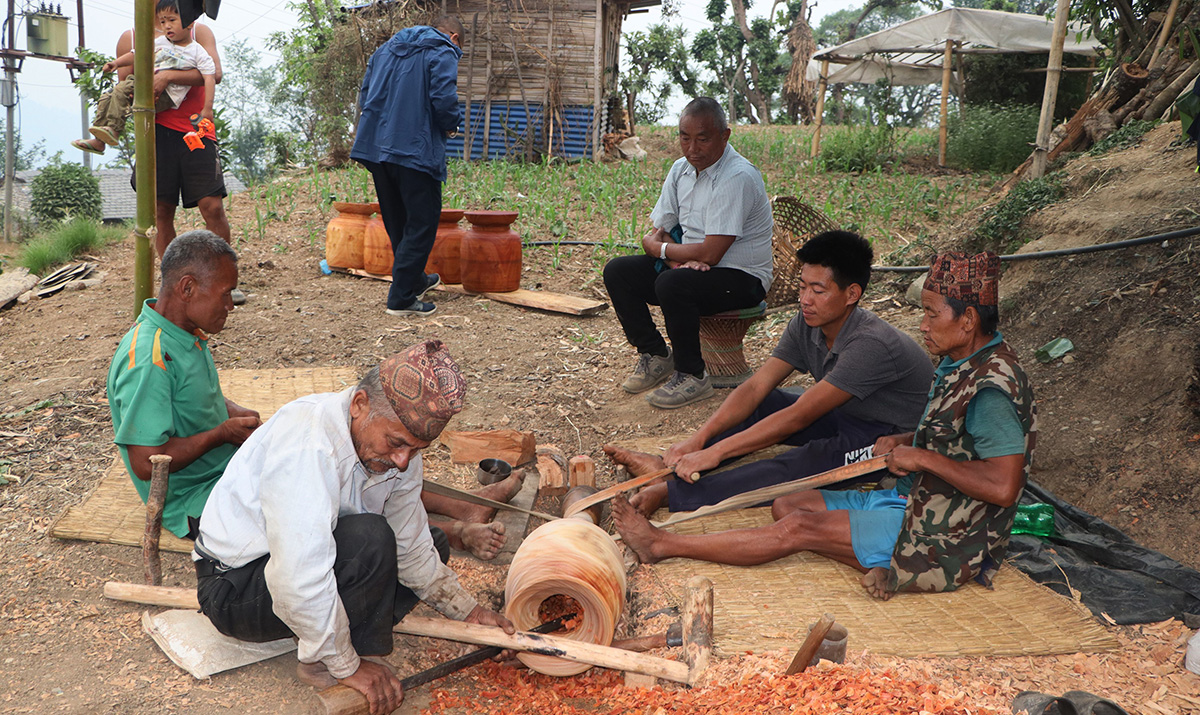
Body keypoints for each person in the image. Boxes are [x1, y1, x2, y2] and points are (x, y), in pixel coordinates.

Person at [612, 251, 1037, 602]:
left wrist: (919, 454)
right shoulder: (960, 361)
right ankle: (880, 558)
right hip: (914, 495)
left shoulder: (990, 389)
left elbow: (1003, 487)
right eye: (803, 287)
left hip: (946, 532)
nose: (922, 325)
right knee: (788, 505)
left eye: (931, 314)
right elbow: (761, 386)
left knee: (797, 517)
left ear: (967, 321)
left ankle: (662, 544)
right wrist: (909, 440)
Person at [193, 341, 515, 713]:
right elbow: (296, 577)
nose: (402, 460)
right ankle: (324, 659)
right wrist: (347, 665)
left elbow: (411, 540)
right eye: (396, 443)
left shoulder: (399, 452)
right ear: (359, 404)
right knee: (371, 539)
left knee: (433, 542)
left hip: (302, 570)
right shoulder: (309, 446)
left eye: (416, 449)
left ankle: (333, 636)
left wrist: (469, 612)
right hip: (235, 588)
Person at [606, 230, 933, 517]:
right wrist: (698, 442)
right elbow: (756, 387)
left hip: (886, 437)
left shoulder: (870, 344)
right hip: (844, 413)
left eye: (818, 291)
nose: (805, 300)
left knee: (806, 463)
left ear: (852, 294)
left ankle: (673, 493)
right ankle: (668, 466)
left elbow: (799, 417)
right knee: (766, 402)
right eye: (803, 286)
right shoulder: (805, 323)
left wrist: (715, 453)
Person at [603, 97, 774, 409]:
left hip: (742, 277)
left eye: (703, 139)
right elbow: (659, 230)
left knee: (673, 284)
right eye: (685, 137)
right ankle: (655, 354)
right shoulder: (680, 170)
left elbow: (711, 253)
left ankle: (692, 375)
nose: (692, 148)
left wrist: (665, 252)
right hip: (691, 265)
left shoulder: (737, 176)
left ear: (725, 136)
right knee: (619, 271)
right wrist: (673, 258)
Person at [106, 230, 259, 539]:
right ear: (188, 288)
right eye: (225, 293)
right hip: (195, 501)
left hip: (223, 472)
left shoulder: (184, 333)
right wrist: (221, 434)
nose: (231, 305)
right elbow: (147, 462)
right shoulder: (150, 360)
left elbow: (190, 397)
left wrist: (232, 412)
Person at [351, 16, 464, 317]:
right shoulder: (443, 49)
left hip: (376, 148)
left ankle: (415, 280)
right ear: (453, 37)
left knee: (397, 219)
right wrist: (451, 125)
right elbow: (443, 98)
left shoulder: (385, 50)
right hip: (414, 149)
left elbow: (365, 96)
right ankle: (401, 298)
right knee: (422, 221)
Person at [113, 0, 233, 267]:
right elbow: (125, 86)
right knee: (160, 211)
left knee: (212, 206)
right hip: (154, 134)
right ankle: (174, 278)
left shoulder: (197, 31)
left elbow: (215, 73)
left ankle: (222, 275)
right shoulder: (131, 38)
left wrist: (167, 76)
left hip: (196, 130)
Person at [71, 0, 215, 156]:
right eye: (163, 21)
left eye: (172, 20)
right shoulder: (154, 40)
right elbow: (138, 55)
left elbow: (213, 74)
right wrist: (116, 64)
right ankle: (100, 138)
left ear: (189, 23)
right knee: (109, 96)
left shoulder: (196, 45)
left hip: (184, 120)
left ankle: (114, 129)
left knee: (121, 90)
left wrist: (169, 77)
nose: (167, 25)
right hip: (150, 127)